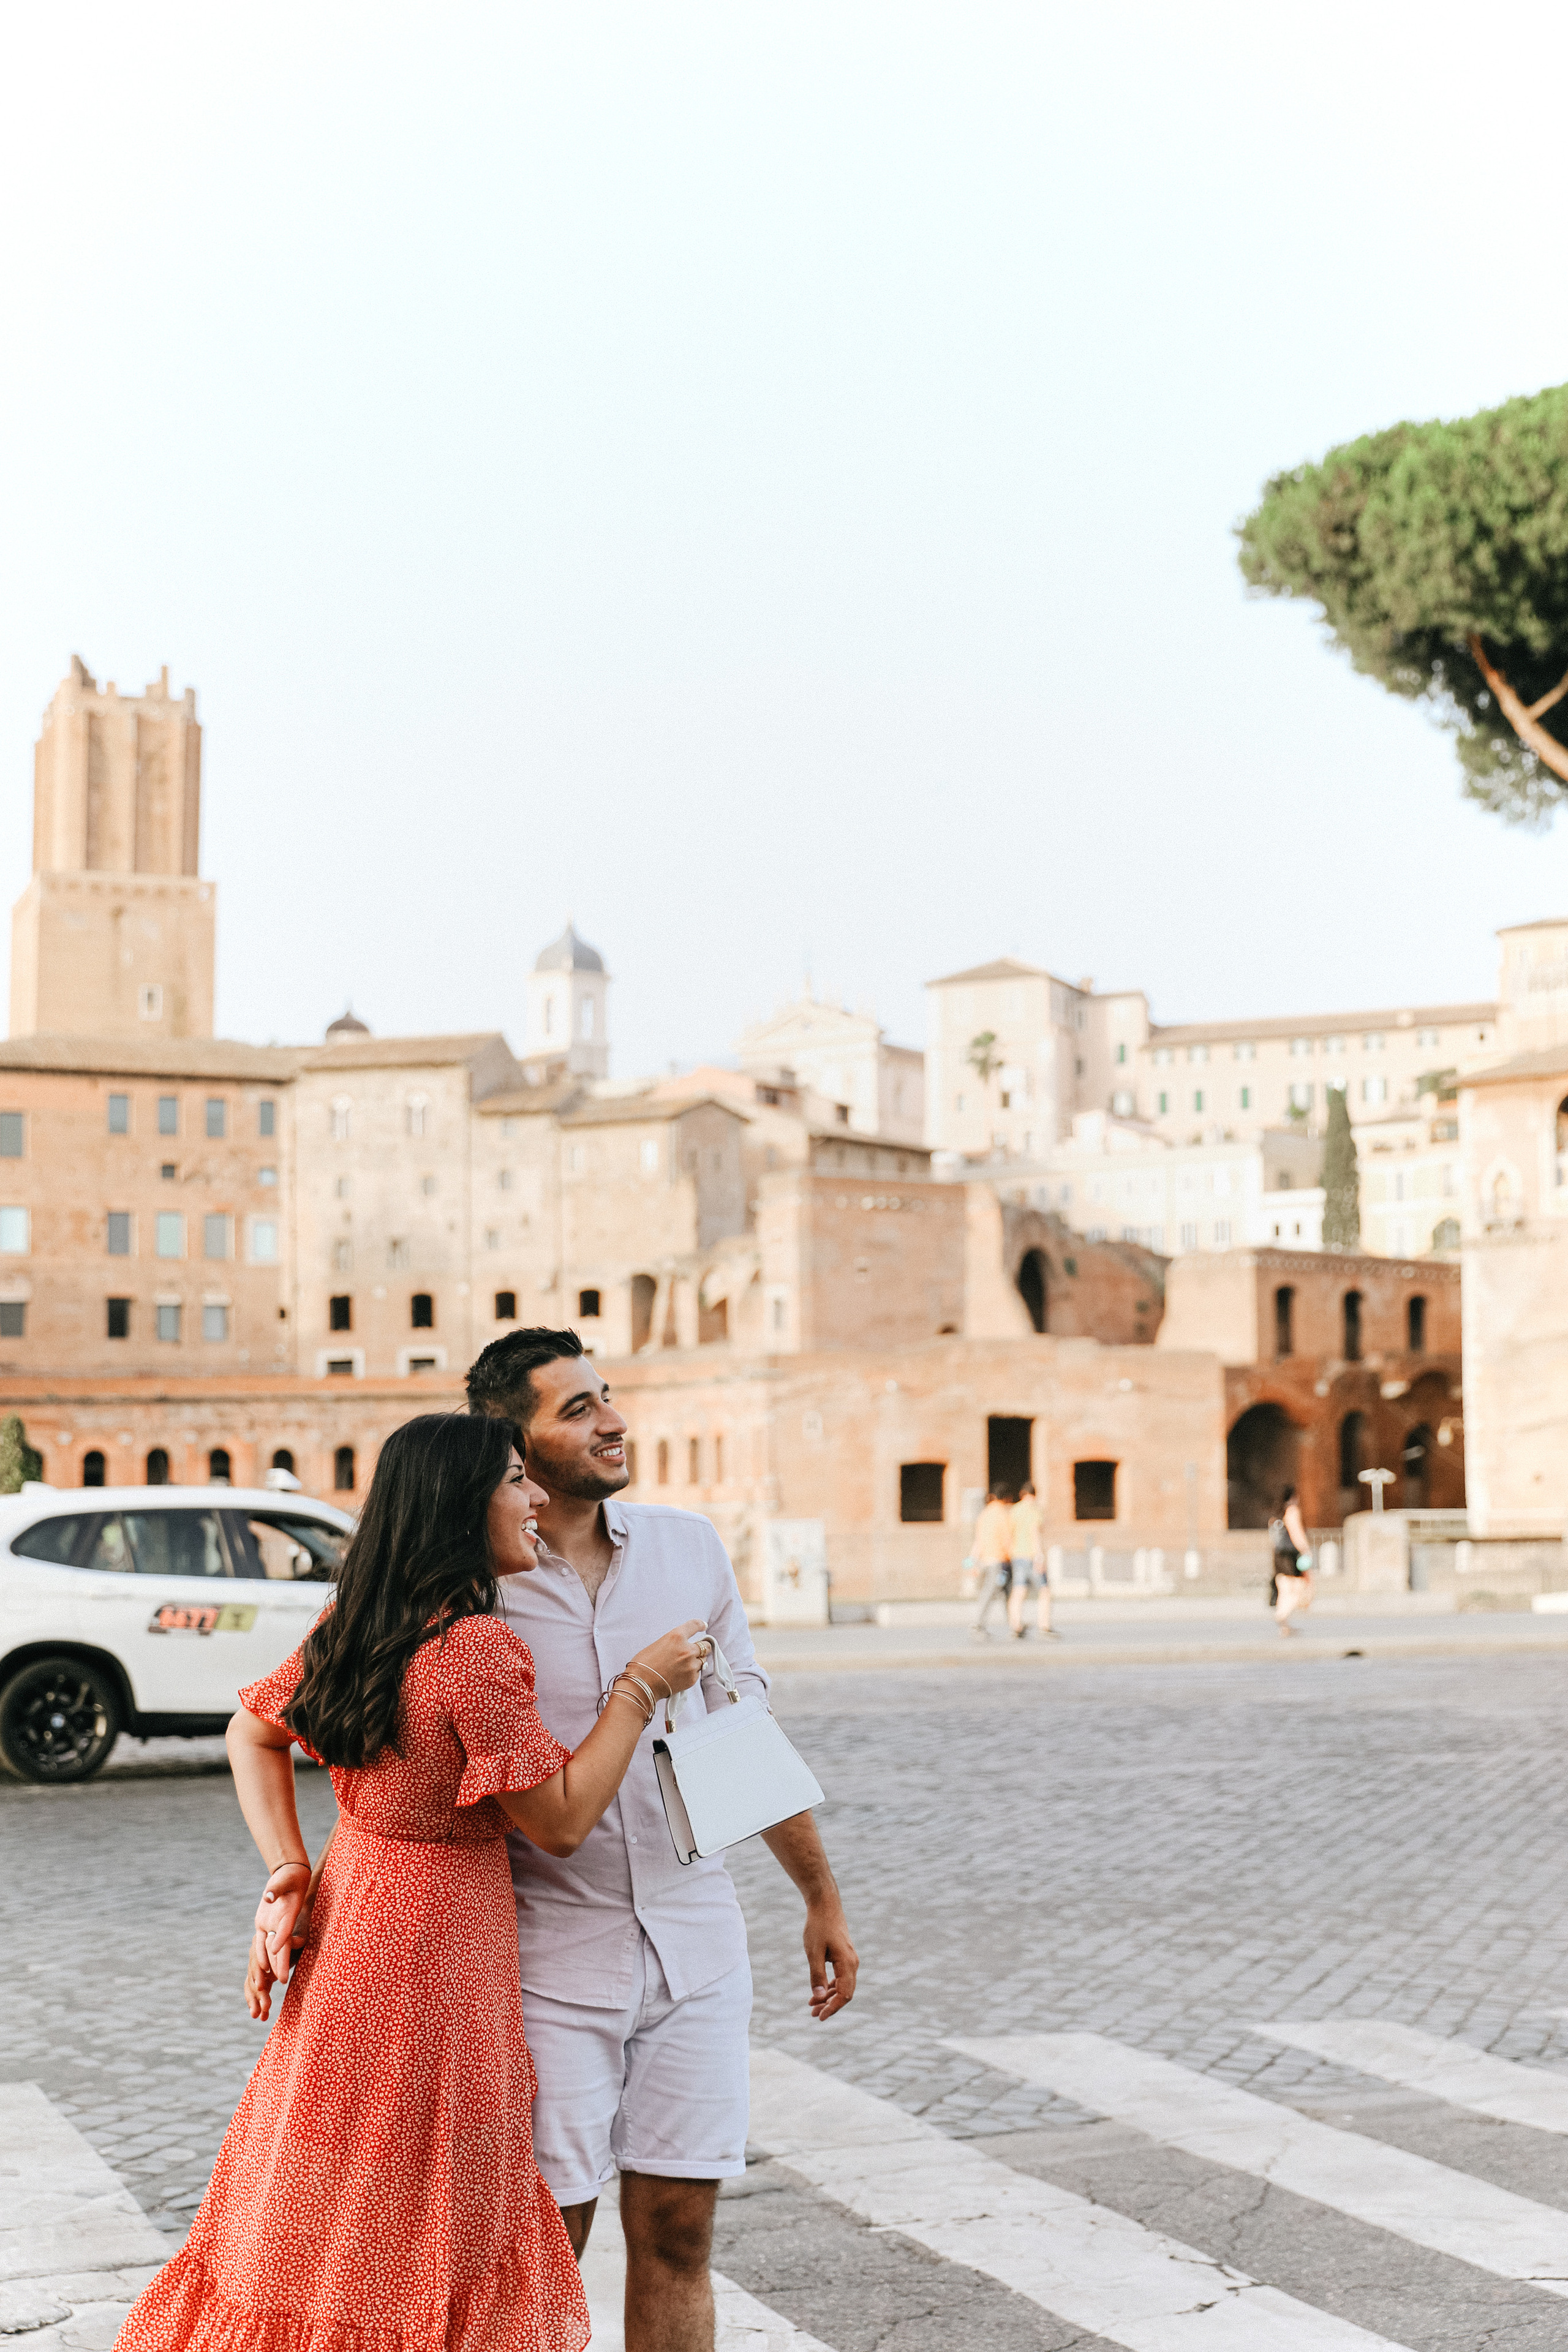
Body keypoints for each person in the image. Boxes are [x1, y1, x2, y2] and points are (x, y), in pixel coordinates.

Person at [132, 1412, 707, 2352]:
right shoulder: (478, 1647)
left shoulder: (363, 1613)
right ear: (459, 1503)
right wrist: (638, 1688)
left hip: (355, 1913)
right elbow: (560, 1822)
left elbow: (254, 1732)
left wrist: (289, 1867)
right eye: (517, 1481)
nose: (534, 1501)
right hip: (437, 1950)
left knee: (338, 2191)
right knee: (432, 2202)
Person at [464, 1328, 859, 2352]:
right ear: (512, 1442)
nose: (614, 1421)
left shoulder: (688, 1548)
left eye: (609, 1397)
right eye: (578, 1409)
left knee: (681, 2231)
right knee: (550, 2241)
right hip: (545, 1956)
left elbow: (742, 1736)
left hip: (695, 1940)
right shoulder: (476, 1577)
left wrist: (818, 1894)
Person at [1008, 1479, 1055, 1639]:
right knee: (1044, 1591)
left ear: (1022, 1494)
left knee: (1019, 1590)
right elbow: (1035, 1534)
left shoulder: (1014, 1510)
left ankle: (1016, 1625)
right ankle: (1044, 1626)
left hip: (1017, 1556)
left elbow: (1010, 1534)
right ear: (1034, 1495)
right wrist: (1040, 1557)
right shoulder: (1035, 1510)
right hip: (1032, 1556)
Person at [969, 1484, 1016, 1638]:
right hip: (999, 1561)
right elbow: (1007, 1539)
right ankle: (978, 1625)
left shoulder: (984, 1514)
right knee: (992, 1593)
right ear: (1005, 1498)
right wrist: (1012, 1557)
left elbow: (978, 1541)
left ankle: (1015, 1624)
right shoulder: (1002, 1514)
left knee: (1006, 1592)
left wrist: (971, 1563)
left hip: (986, 1560)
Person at [1270, 1483, 1313, 1635]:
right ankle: (1281, 1616)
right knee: (1298, 1587)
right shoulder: (1292, 1510)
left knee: (1285, 1589)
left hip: (1278, 1554)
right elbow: (1296, 1533)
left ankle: (1285, 1627)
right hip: (1290, 1554)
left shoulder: (1277, 1513)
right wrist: (1306, 1550)